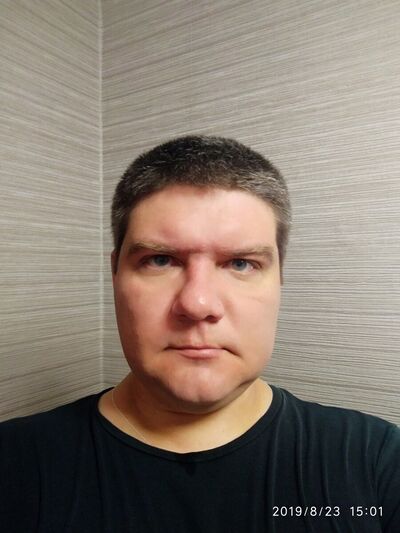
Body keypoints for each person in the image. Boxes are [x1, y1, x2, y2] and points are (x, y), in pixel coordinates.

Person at [0, 135, 399, 532]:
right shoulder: (14, 463)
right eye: (160, 260)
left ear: (280, 278)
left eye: (241, 263)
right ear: (115, 273)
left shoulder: (377, 461)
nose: (197, 303)